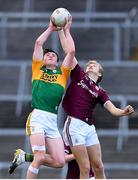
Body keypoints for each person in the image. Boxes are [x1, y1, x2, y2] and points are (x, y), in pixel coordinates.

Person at [57, 29, 135, 179]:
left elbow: (113, 110)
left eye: (94, 65)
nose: (91, 65)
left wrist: (124, 111)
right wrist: (63, 31)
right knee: (85, 168)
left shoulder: (101, 92)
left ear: (99, 74)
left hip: (89, 128)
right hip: (75, 126)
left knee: (98, 166)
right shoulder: (79, 74)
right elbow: (69, 51)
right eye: (89, 64)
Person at [9, 16, 75, 179]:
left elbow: (71, 51)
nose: (50, 56)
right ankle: (28, 161)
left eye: (53, 55)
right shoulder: (38, 69)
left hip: (52, 121)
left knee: (60, 161)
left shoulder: (62, 73)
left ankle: (24, 157)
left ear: (58, 61)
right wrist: (51, 28)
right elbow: (39, 43)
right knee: (39, 157)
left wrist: (65, 30)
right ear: (43, 60)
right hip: (38, 117)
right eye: (47, 55)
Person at [8, 147, 95, 179]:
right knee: (58, 161)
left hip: (91, 176)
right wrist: (79, 154)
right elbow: (63, 159)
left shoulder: (88, 136)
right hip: (75, 177)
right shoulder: (71, 138)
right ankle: (25, 157)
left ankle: (25, 157)